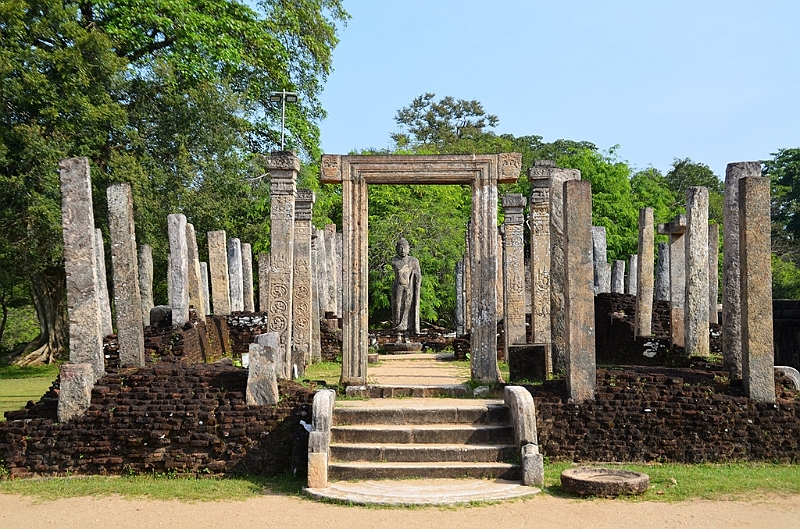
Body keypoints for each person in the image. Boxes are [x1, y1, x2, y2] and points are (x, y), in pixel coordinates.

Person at [391, 237, 421, 341]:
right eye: (400, 248)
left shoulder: (414, 261)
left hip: (409, 288)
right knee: (397, 309)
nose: (402, 250)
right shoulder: (394, 261)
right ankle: (398, 335)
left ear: (409, 249)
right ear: (396, 249)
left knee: (408, 309)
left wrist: (415, 275)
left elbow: (418, 275)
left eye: (405, 248)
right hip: (398, 288)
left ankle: (407, 334)